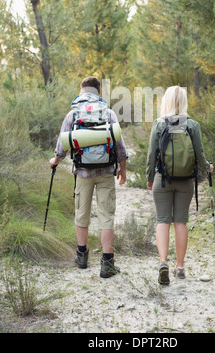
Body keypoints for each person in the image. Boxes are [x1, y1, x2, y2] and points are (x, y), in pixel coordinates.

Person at [50, 76, 128, 278]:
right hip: (105, 172)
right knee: (106, 215)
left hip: (83, 173)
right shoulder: (108, 113)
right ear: (98, 92)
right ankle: (107, 263)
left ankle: (82, 257)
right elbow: (120, 146)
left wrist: (55, 161)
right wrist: (123, 169)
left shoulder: (73, 114)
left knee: (81, 213)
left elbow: (62, 145)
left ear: (82, 91)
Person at [146, 86, 213, 285]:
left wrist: (150, 178)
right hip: (185, 181)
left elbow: (151, 156)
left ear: (166, 101)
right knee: (180, 222)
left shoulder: (159, 124)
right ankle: (181, 267)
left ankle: (163, 262)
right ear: (183, 102)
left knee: (162, 221)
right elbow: (200, 156)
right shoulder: (192, 125)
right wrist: (208, 167)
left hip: (162, 180)